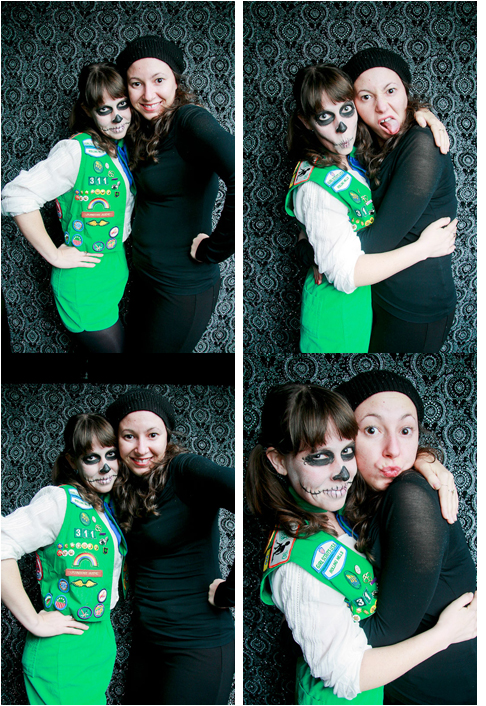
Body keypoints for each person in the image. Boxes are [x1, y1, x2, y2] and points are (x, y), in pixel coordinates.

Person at [246, 383, 476, 704]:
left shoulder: (340, 506)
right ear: (279, 461)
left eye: (347, 452)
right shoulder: (298, 559)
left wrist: (424, 459)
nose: (341, 472)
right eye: (319, 457)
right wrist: (445, 633)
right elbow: (345, 670)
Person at [286, 64, 456, 353]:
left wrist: (422, 112)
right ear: (306, 121)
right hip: (342, 309)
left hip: (402, 306)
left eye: (346, 111)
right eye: (325, 117)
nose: (340, 126)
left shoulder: (358, 152)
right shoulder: (336, 165)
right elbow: (344, 267)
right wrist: (313, 250)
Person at [336, 370, 477, 704]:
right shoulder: (351, 497)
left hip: (438, 691)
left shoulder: (410, 496)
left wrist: (306, 629)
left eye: (405, 430)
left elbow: (384, 635)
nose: (393, 450)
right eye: (372, 430)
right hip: (400, 683)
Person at [106, 388, 235, 705]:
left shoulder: (184, 471)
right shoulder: (119, 487)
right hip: (148, 646)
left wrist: (230, 591)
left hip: (197, 646)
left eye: (152, 435)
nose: (141, 448)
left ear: (167, 436)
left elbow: (252, 499)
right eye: (129, 436)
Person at [1, 63, 136, 353]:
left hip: (113, 270)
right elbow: (16, 195)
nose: (117, 117)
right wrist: (55, 255)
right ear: (88, 111)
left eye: (122, 105)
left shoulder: (120, 149)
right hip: (84, 281)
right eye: (105, 109)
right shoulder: (75, 151)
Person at [115, 35, 235, 353]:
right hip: (143, 277)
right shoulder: (138, 128)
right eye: (136, 84)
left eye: (159, 80)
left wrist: (215, 249)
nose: (148, 94)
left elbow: (240, 175)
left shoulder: (190, 120)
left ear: (176, 82)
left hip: (181, 288)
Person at [1, 414, 128, 705]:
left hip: (98, 643)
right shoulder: (58, 501)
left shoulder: (104, 509)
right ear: (72, 461)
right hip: (64, 650)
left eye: (111, 455)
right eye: (91, 458)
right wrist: (34, 621)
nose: (105, 467)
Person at [342, 48, 458, 352]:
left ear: (406, 92)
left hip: (414, 310)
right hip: (376, 297)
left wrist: (313, 245)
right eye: (366, 96)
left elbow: (372, 244)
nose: (382, 106)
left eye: (391, 91)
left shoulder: (421, 144)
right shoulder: (367, 147)